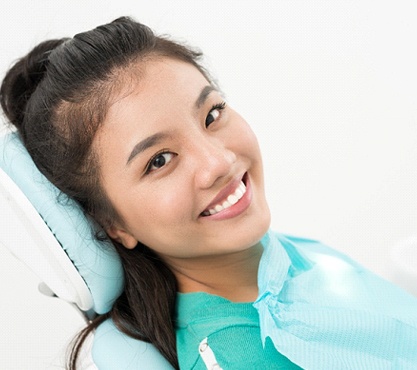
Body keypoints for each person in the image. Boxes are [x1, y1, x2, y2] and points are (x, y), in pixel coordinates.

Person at [1, 16, 417, 370]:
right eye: (159, 160)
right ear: (111, 223)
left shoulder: (276, 259)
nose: (218, 162)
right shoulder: (234, 355)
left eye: (212, 114)